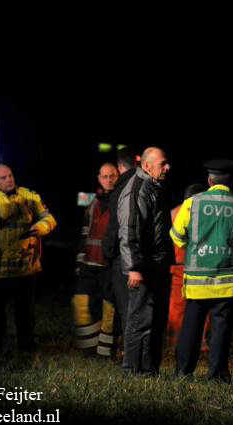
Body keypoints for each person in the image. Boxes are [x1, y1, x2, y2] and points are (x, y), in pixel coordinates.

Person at [171, 160, 233, 382]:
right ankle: (218, 374)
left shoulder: (193, 203)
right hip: (229, 280)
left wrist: (198, 247)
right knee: (222, 328)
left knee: (192, 326)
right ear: (230, 181)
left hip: (198, 280)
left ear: (209, 181)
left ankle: (184, 371)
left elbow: (176, 234)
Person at [0, 164, 56, 352]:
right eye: (3, 177)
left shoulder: (29, 196)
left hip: (25, 266)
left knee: (25, 312)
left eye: (10, 175)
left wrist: (40, 227)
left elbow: (49, 218)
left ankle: (26, 346)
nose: (9, 180)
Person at [117, 147, 173, 375]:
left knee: (154, 319)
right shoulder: (137, 190)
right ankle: (133, 369)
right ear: (147, 166)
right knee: (140, 319)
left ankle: (149, 369)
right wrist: (134, 269)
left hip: (155, 265)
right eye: (163, 163)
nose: (168, 167)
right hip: (143, 268)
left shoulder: (153, 188)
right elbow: (129, 231)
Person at [73, 163, 121, 357]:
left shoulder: (121, 200)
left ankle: (106, 351)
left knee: (110, 310)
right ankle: (88, 348)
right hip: (88, 263)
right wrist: (79, 262)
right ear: (98, 178)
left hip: (109, 264)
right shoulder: (89, 200)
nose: (109, 180)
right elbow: (83, 231)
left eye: (112, 176)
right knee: (81, 304)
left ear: (118, 177)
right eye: (105, 176)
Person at [101, 146, 140, 342]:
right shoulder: (144, 184)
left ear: (119, 167)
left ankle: (129, 356)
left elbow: (118, 227)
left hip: (122, 258)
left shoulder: (121, 189)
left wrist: (108, 250)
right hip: (137, 258)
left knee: (126, 308)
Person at [167, 183, 206, 348]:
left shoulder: (172, 212)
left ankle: (173, 341)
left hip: (177, 267)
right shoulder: (199, 213)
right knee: (202, 305)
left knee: (176, 308)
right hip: (195, 266)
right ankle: (200, 342)